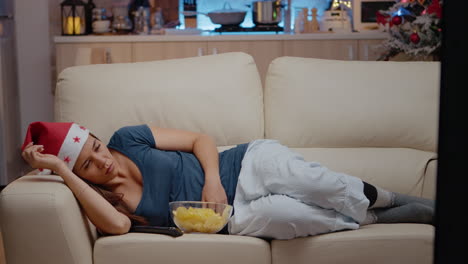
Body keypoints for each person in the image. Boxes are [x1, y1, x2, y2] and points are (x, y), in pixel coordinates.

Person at [21, 121, 435, 239]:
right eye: (87, 164)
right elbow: (119, 228)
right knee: (287, 215)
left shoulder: (128, 138)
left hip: (244, 165)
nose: (101, 160)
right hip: (228, 220)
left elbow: (201, 139)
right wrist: (59, 170)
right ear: (79, 176)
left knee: (317, 185)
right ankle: (380, 219)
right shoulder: (109, 205)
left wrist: (213, 180)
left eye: (94, 146)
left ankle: (389, 198)